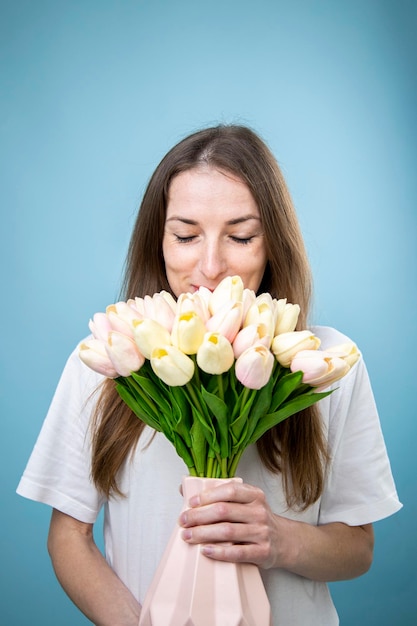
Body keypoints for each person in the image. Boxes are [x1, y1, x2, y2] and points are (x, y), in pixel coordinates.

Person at [17, 124, 402, 626]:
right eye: (185, 235)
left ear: (273, 244)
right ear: (158, 240)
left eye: (241, 236)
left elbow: (358, 548)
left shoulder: (325, 362)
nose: (212, 265)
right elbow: (67, 538)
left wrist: (278, 540)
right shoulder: (109, 355)